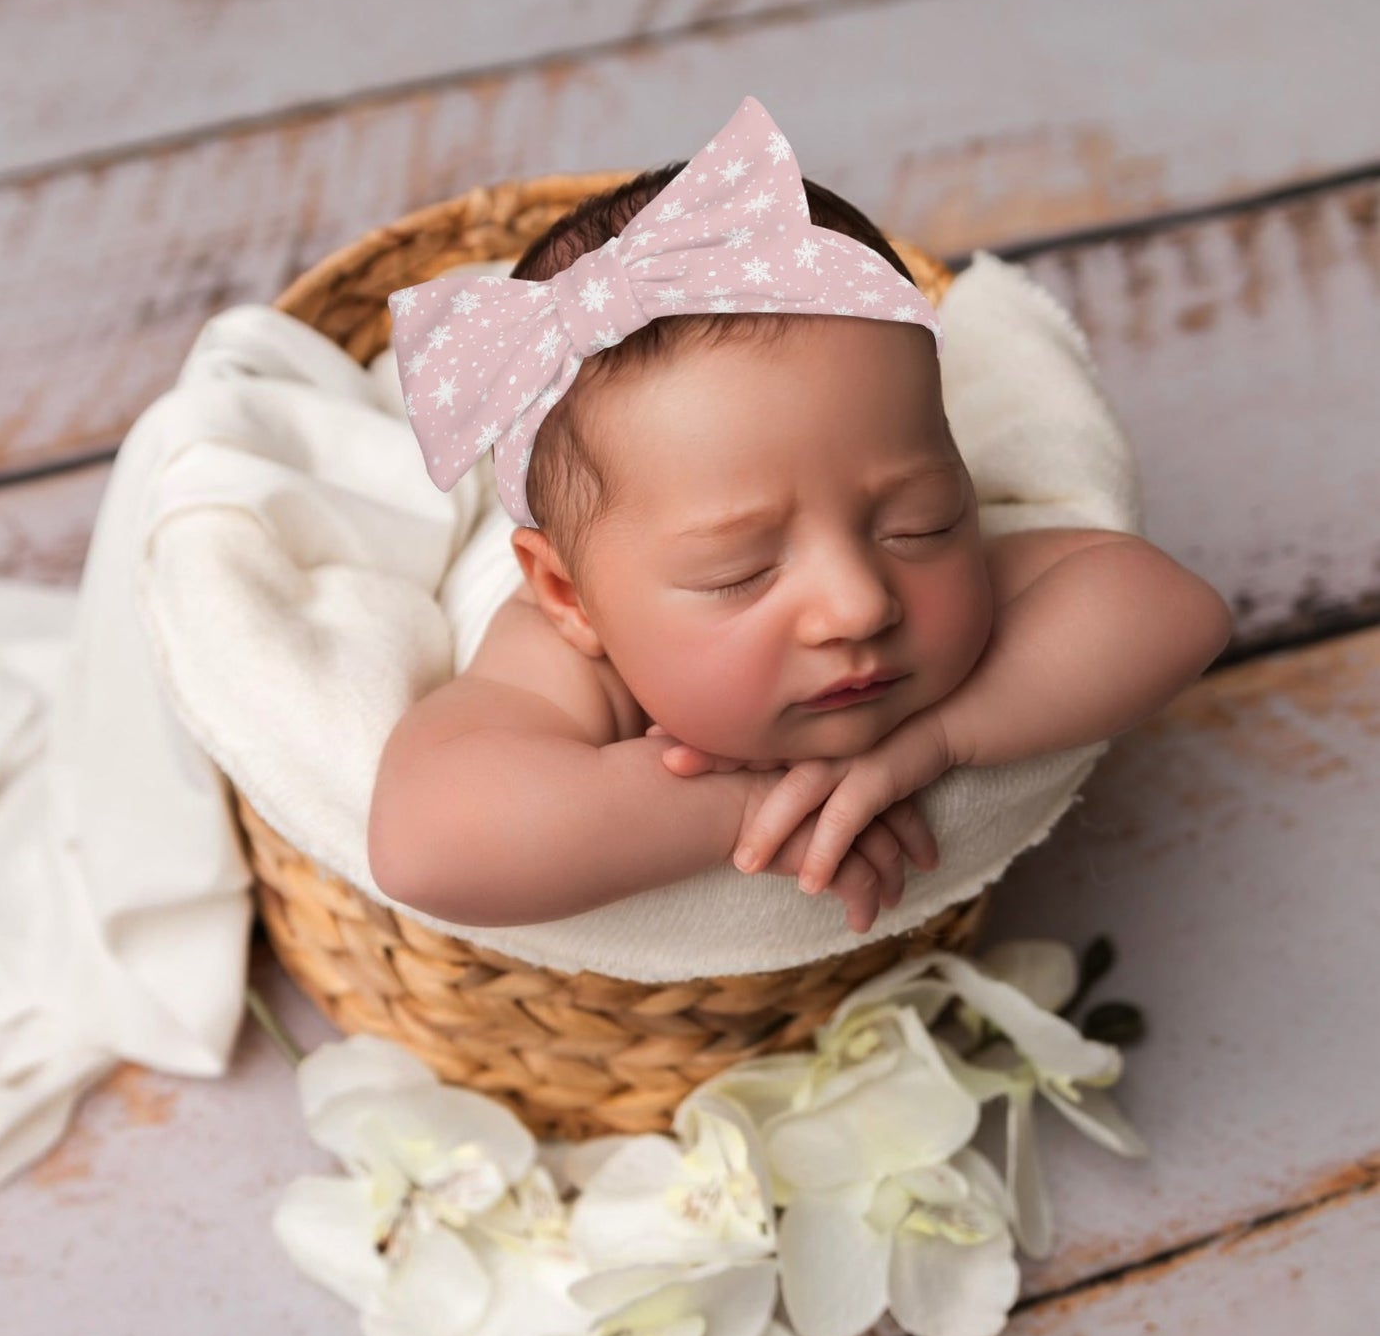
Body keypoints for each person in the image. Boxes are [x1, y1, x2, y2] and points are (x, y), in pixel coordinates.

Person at [367, 98, 1231, 935]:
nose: (859, 603)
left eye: (919, 522)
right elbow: (425, 844)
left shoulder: (926, 579)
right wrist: (747, 805)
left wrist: (934, 740)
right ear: (569, 597)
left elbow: (1171, 609)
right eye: (737, 572)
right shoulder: (557, 655)